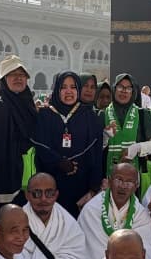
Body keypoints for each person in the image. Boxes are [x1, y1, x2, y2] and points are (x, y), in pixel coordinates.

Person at [32, 70, 103, 218]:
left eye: (73, 87)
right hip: (51, 186)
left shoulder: (90, 117)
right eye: (64, 87)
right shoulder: (45, 115)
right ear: (57, 89)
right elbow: (41, 145)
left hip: (81, 187)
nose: (69, 91)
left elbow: (96, 154)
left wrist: (93, 188)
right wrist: (59, 162)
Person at [78, 162, 151, 259]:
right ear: (110, 181)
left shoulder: (140, 214)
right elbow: (91, 251)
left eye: (129, 182)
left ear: (136, 186)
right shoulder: (92, 209)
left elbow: (147, 251)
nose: (123, 186)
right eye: (119, 180)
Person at [0, 55, 37, 217]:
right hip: (6, 178)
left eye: (22, 75)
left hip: (29, 177)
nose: (18, 78)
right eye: (12, 74)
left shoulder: (30, 105)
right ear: (4, 80)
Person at [19, 172, 87, 259]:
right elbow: (6, 251)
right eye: (36, 193)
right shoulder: (17, 220)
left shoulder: (68, 223)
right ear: (27, 195)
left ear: (56, 195)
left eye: (49, 193)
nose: (43, 199)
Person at [100, 72, 151, 183]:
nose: (124, 91)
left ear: (133, 92)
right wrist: (105, 137)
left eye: (128, 88)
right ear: (114, 89)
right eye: (120, 87)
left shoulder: (142, 114)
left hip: (135, 176)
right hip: (106, 178)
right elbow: (95, 150)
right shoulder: (103, 114)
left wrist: (136, 148)